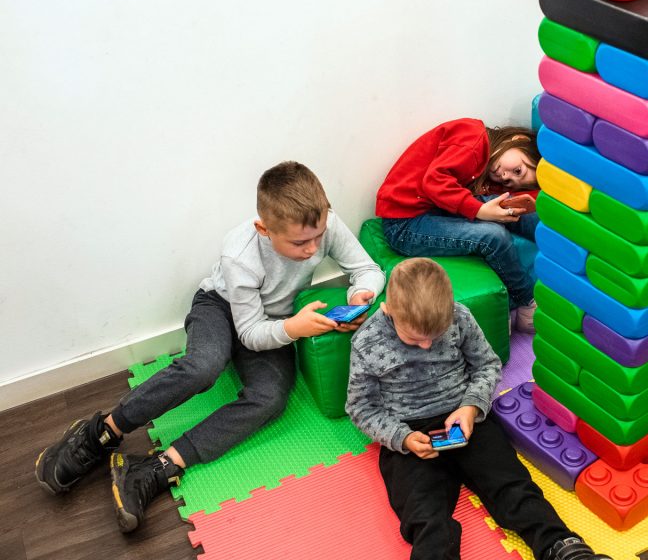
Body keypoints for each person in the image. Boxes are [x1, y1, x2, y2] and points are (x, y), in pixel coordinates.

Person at [35, 161, 386, 533]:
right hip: (220, 307)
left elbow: (368, 269)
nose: (313, 249)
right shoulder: (240, 254)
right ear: (263, 229)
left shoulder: (324, 223)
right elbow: (249, 333)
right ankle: (102, 432)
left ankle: (158, 467)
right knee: (204, 365)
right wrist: (294, 329)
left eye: (318, 237)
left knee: (270, 398)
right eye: (300, 243)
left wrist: (360, 293)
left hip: (273, 320)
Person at [347, 258, 609, 560]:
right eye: (415, 339)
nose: (426, 346)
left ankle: (559, 545)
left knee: (511, 484)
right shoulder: (367, 342)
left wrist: (471, 406)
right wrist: (401, 437)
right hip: (407, 434)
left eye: (435, 336)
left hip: (466, 418)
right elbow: (361, 406)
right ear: (387, 310)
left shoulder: (460, 317)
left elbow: (486, 365)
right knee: (423, 511)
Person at [375, 118, 541, 333]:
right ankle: (526, 300)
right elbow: (434, 181)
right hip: (406, 223)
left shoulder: (488, 164)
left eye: (511, 180)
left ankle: (567, 261)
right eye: (517, 170)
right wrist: (480, 211)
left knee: (517, 211)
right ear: (519, 139)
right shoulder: (473, 139)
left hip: (436, 208)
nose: (505, 176)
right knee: (494, 236)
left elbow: (520, 198)